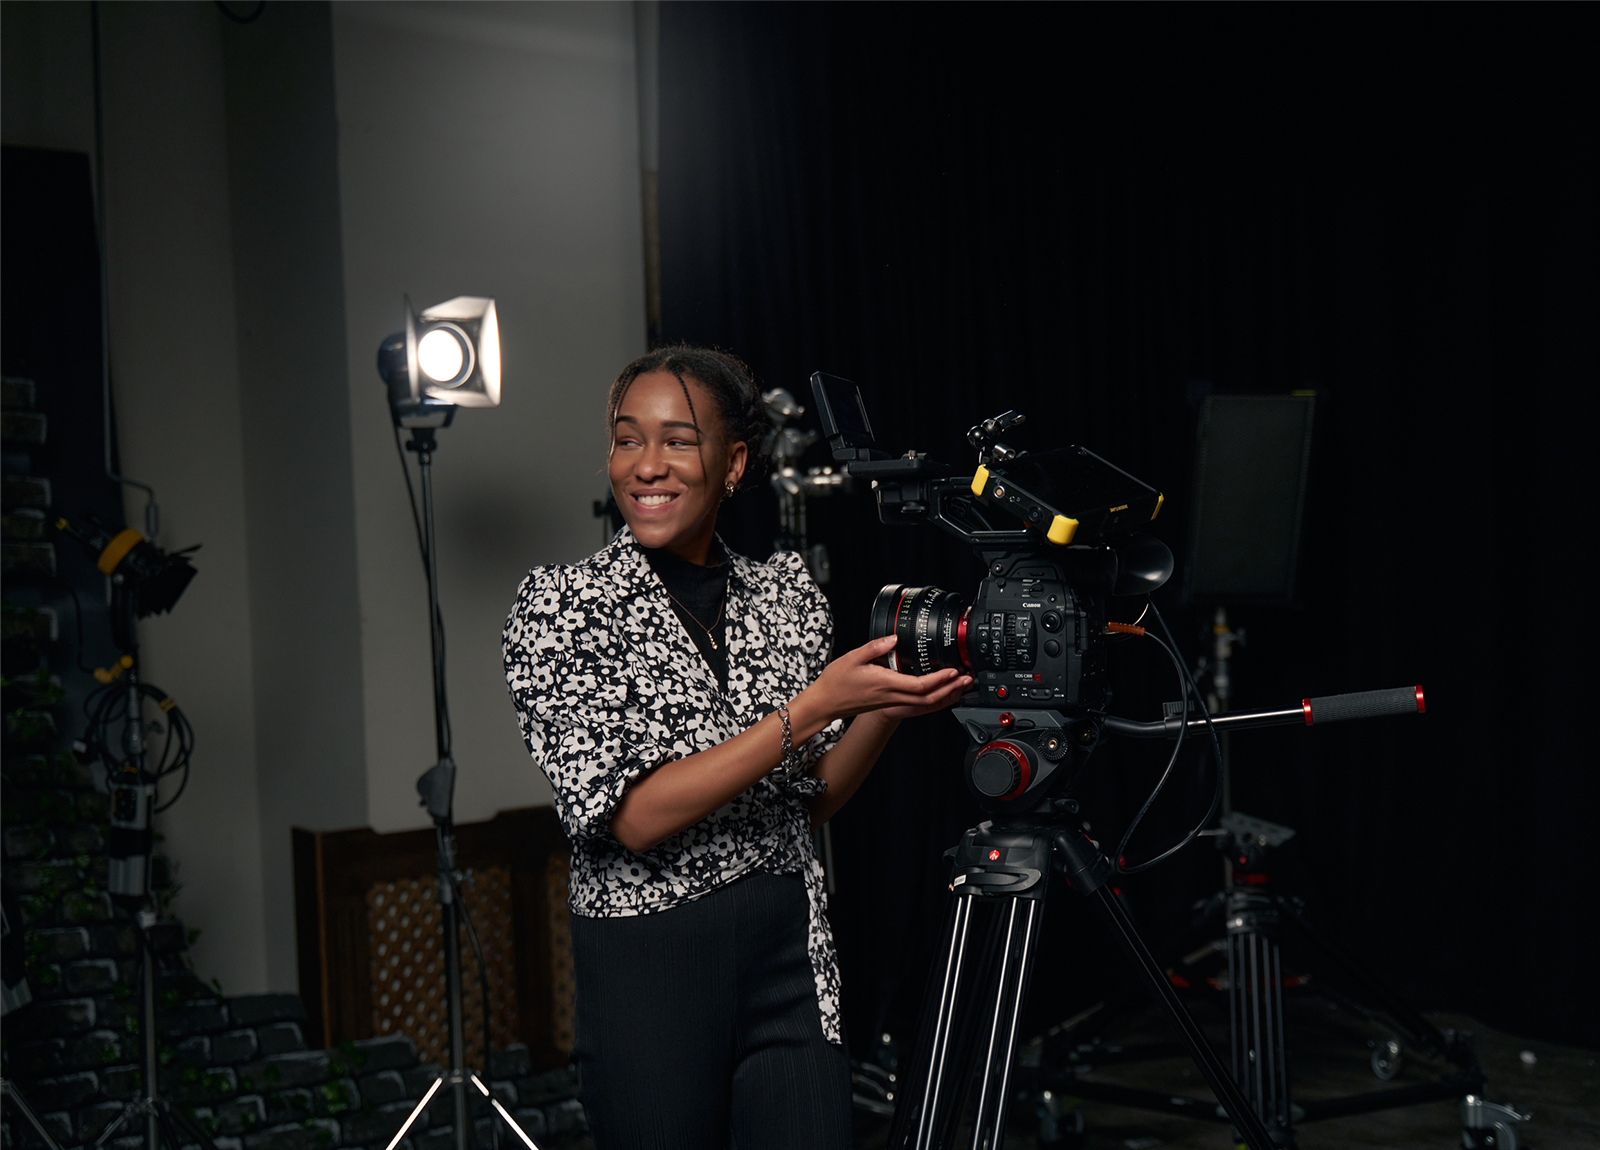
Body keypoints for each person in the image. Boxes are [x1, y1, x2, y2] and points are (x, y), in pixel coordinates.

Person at [503, 346, 971, 1149]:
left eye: (678, 441)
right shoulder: (562, 606)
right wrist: (813, 706)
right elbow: (636, 817)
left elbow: (811, 799)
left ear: (735, 463)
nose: (646, 465)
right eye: (627, 439)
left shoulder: (786, 598)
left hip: (790, 959)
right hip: (650, 973)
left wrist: (884, 706)